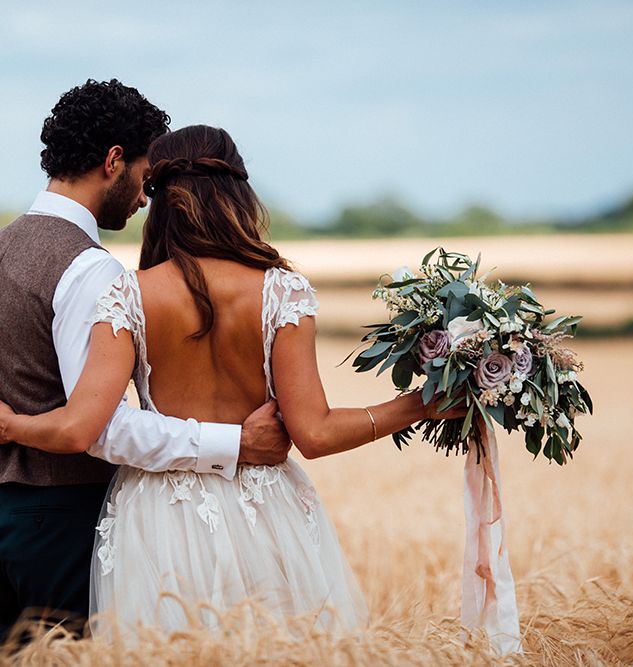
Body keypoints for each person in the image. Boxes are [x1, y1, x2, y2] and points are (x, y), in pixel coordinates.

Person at [0, 124, 465, 634]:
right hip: (263, 510)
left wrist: (14, 426)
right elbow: (315, 433)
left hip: (154, 518)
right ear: (239, 193)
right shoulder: (283, 292)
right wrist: (420, 403)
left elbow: (83, 429)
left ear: (161, 201)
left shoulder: (127, 294)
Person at [0, 82, 290, 642]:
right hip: (63, 520)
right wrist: (235, 443)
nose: (145, 200)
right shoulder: (90, 270)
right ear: (114, 161)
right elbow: (102, 425)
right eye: (145, 178)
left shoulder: (6, 245)